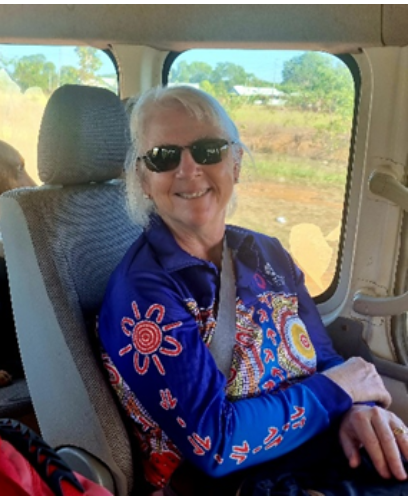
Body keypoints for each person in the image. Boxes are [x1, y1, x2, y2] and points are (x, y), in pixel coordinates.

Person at [97, 86, 407, 495]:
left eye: (209, 150)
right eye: (164, 156)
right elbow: (216, 444)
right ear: (143, 178)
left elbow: (325, 358)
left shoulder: (268, 254)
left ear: (236, 163)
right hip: (237, 483)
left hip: (318, 452)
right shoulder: (142, 295)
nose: (188, 169)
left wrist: (360, 411)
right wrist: (340, 391)